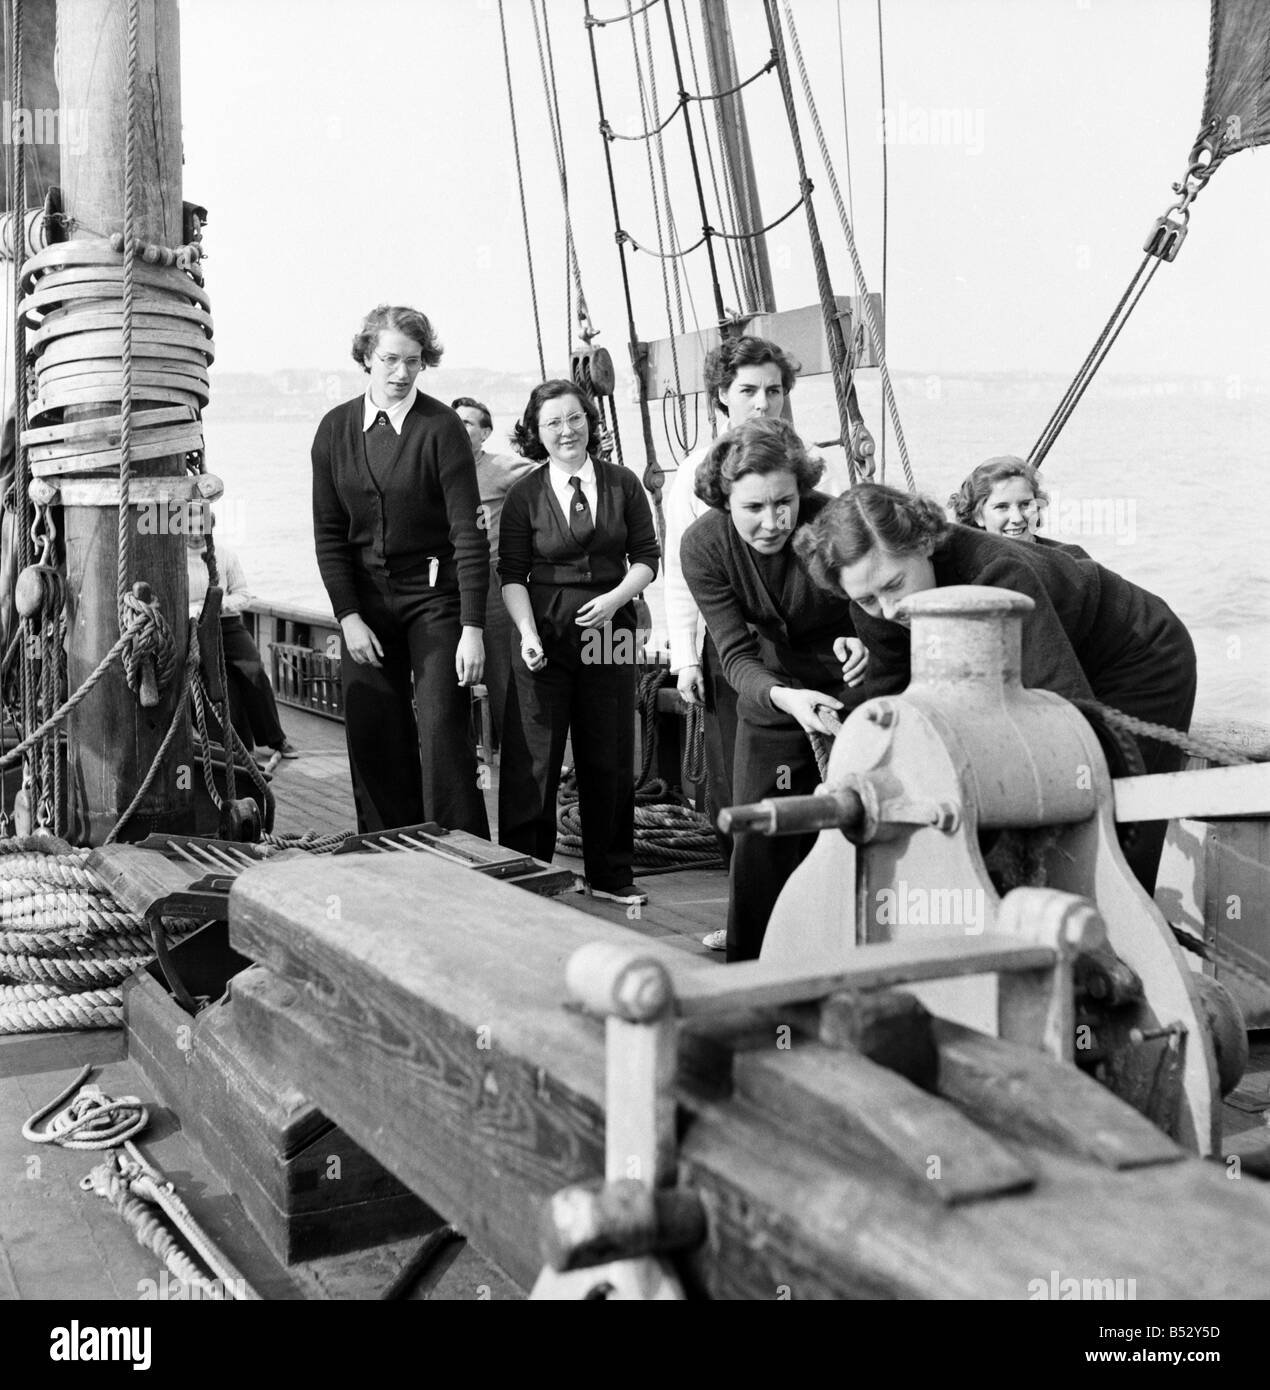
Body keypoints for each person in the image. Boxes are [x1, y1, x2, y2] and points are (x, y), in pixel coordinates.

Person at [797, 482, 1197, 893]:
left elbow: (1064, 707)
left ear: (925, 544)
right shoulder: (876, 610)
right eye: (866, 599)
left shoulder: (998, 574)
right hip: (1062, 649)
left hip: (1138, 654)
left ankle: (1116, 933)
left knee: (1110, 808)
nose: (888, 610)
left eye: (895, 585)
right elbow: (889, 712)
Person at [680, 416, 869, 962]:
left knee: (856, 826)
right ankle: (751, 963)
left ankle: (845, 956)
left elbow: (878, 605)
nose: (772, 522)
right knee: (759, 834)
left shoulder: (835, 522)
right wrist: (785, 698)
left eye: (783, 502)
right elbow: (735, 653)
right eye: (753, 508)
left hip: (851, 686)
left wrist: (864, 641)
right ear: (724, 502)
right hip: (774, 688)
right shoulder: (704, 546)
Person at [311, 304, 489, 836]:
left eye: (413, 361)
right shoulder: (334, 431)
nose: (401, 373)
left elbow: (470, 536)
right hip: (365, 606)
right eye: (389, 359)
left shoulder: (442, 428)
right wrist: (347, 616)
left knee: (441, 728)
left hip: (433, 600)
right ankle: (388, 849)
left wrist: (472, 630)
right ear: (367, 356)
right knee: (373, 733)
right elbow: (328, 536)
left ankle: (463, 854)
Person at [497, 380, 660, 906]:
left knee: (609, 750)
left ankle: (612, 875)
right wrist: (525, 633)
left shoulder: (623, 483)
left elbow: (646, 559)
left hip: (611, 632)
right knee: (534, 758)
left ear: (590, 421)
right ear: (536, 434)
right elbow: (512, 574)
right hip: (542, 635)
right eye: (552, 423)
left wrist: (615, 600)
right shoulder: (524, 494)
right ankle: (527, 872)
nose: (566, 431)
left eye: (574, 419)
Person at [452, 396, 534, 752]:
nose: (460, 427)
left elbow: (553, 473)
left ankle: (514, 750)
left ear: (484, 433)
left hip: (491, 579)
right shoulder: (436, 469)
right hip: (447, 580)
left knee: (502, 671)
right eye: (455, 421)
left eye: (469, 423)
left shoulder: (501, 467)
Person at [186, 505, 296, 762]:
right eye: (190, 528)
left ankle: (275, 738)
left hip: (227, 623)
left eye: (201, 527)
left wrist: (223, 605)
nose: (195, 534)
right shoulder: (174, 559)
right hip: (193, 629)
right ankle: (232, 746)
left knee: (254, 670)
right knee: (215, 684)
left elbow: (243, 594)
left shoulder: (224, 555)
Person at [949, 455, 1089, 557]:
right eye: (1002, 507)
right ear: (978, 515)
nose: (1017, 518)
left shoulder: (1072, 559)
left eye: (1025, 504)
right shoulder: (959, 564)